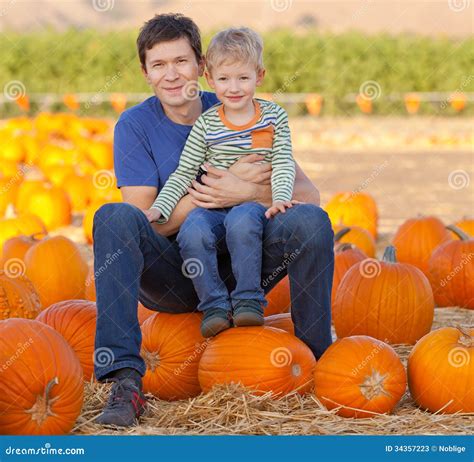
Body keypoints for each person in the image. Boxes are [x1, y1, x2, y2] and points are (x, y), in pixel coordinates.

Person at [93, 13, 334, 427]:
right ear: (145, 72)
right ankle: (126, 381)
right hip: (173, 272)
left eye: (181, 61)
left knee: (311, 221)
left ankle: (318, 362)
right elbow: (145, 220)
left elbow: (308, 195)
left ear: (201, 65)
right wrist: (206, 194)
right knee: (113, 217)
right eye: (159, 65)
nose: (172, 75)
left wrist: (247, 192)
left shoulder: (238, 106)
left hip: (244, 267)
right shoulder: (134, 126)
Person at [143, 27, 299, 338]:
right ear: (211, 81)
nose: (234, 87)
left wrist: (279, 196)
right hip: (211, 208)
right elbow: (184, 172)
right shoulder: (206, 123)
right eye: (225, 79)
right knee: (193, 230)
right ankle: (213, 304)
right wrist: (159, 208)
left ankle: (248, 301)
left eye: (243, 78)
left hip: (247, 204)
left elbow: (282, 161)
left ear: (259, 76)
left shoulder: (273, 117)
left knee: (242, 223)